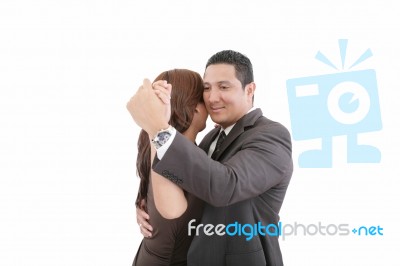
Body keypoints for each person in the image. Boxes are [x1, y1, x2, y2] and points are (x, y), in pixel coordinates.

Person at [127, 50, 293, 266]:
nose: (212, 98)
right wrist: (149, 206)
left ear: (249, 89)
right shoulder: (209, 138)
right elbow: (190, 185)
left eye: (224, 87)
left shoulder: (271, 135)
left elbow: (225, 185)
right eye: (206, 88)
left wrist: (159, 130)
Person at [130, 69, 208, 265]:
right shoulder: (163, 151)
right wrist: (155, 125)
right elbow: (172, 212)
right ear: (195, 108)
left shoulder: (182, 151)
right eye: (203, 96)